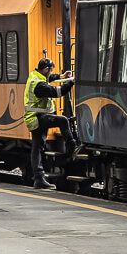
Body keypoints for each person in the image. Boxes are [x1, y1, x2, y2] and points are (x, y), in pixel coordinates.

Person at [24, 57, 76, 190]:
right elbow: (57, 92)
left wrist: (61, 76)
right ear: (46, 69)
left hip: (35, 118)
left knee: (37, 147)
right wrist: (71, 82)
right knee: (63, 121)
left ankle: (39, 179)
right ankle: (73, 147)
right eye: (50, 70)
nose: (51, 73)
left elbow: (49, 78)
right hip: (37, 118)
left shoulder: (36, 75)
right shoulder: (39, 85)